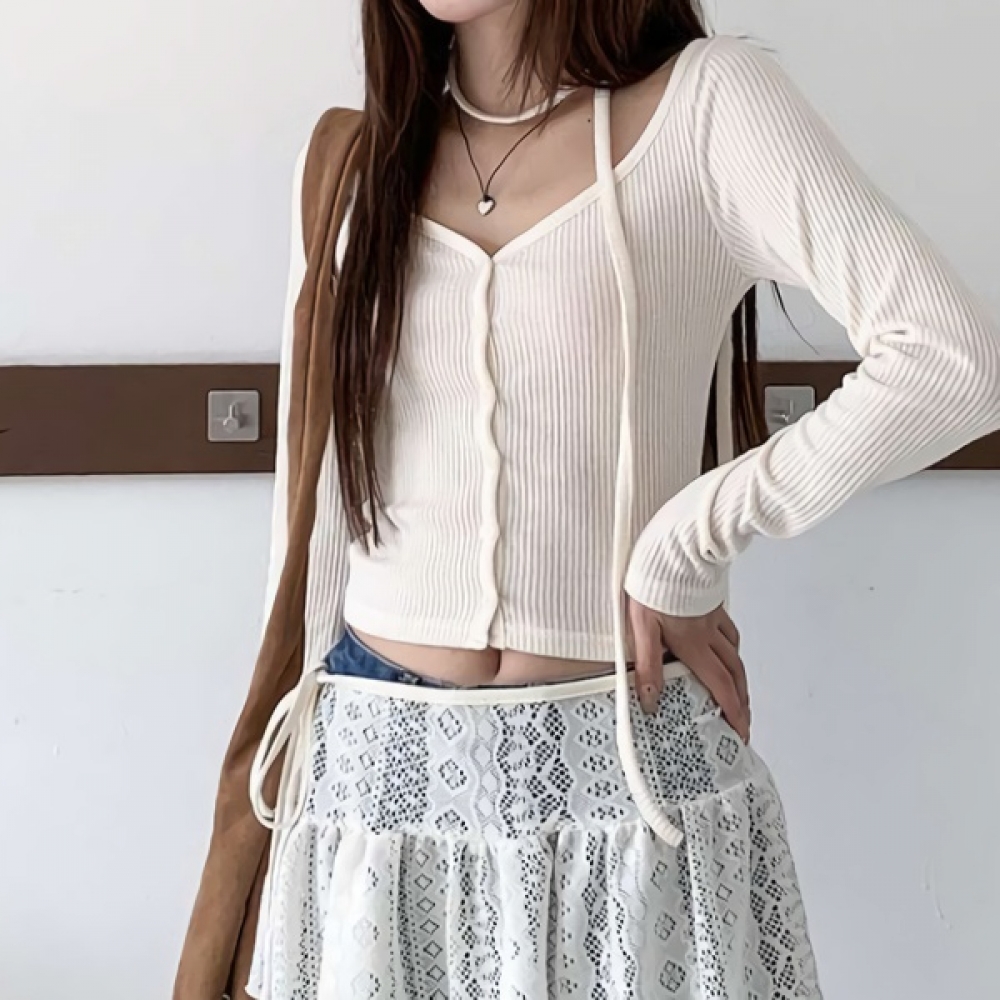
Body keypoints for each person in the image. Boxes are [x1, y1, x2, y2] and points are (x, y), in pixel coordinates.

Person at [179, 2, 1000, 998]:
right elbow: (311, 543)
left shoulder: (708, 108)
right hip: (373, 809)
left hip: (627, 803)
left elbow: (952, 360)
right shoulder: (356, 164)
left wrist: (686, 542)